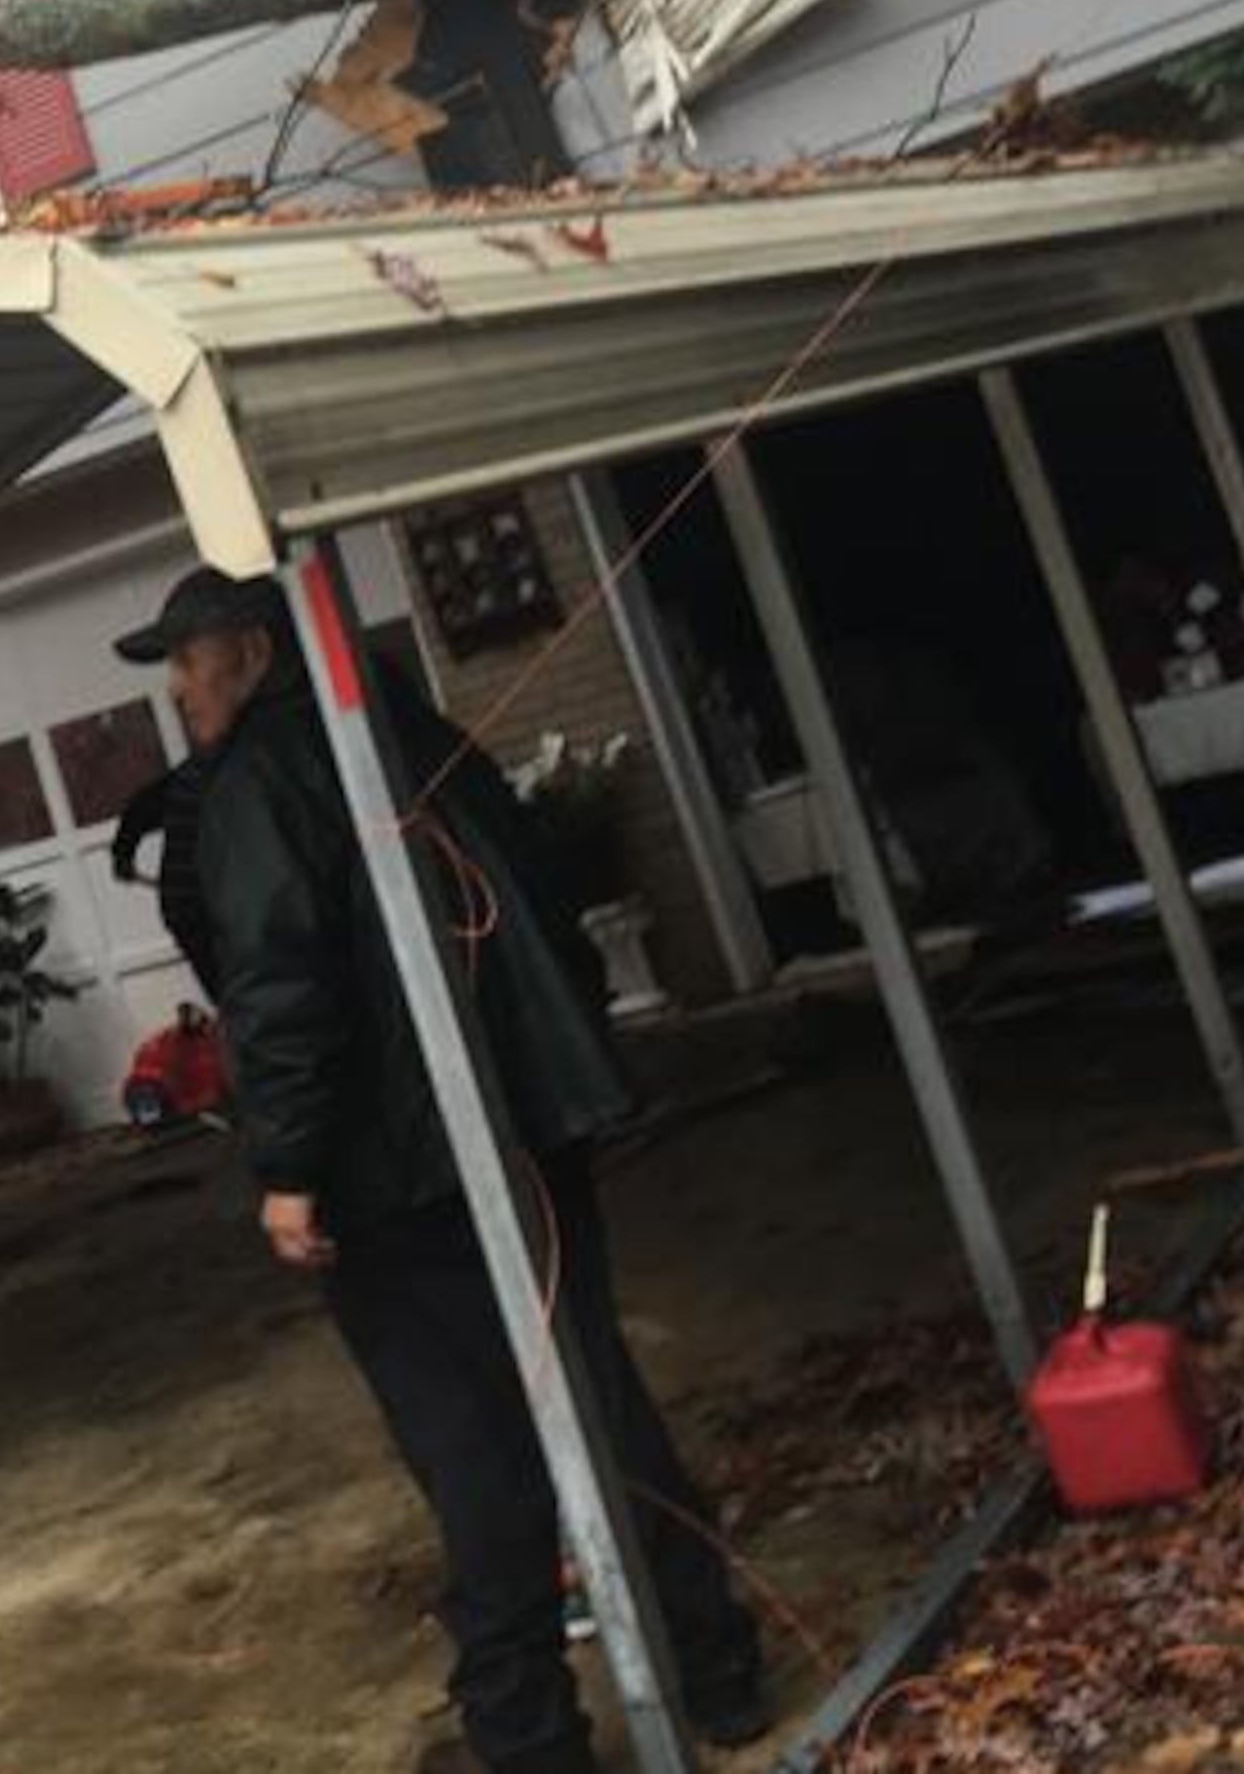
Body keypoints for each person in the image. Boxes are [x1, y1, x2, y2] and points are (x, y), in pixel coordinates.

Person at [111, 567, 766, 1774]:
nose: (181, 688)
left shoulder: (262, 776)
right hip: (522, 1131)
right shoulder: (410, 734)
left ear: (250, 652)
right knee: (592, 1389)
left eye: (188, 661)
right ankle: (720, 1672)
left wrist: (291, 1167)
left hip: (396, 1175)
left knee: (468, 1443)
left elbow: (280, 978)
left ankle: (526, 1739)